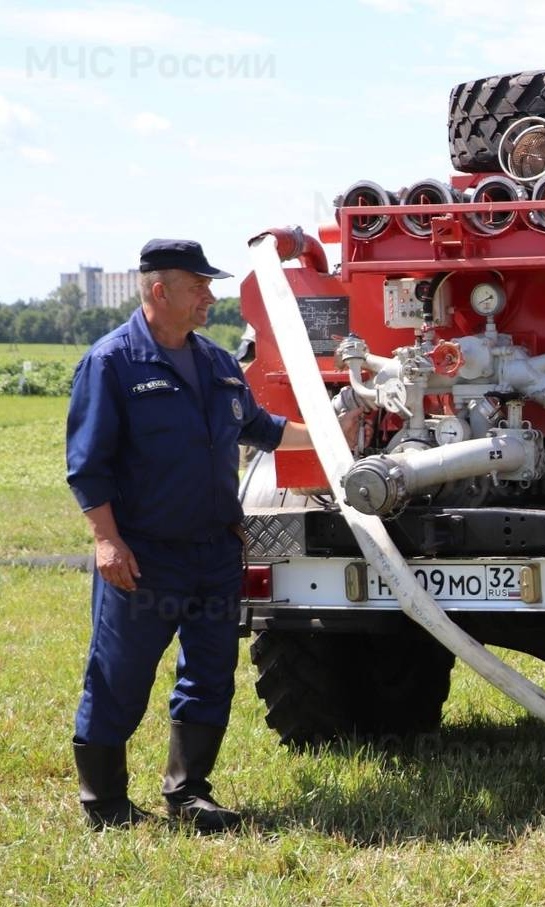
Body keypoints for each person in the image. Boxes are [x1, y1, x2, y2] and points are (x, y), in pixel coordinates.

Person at [65, 238, 346, 832]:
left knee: (211, 672)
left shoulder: (218, 363)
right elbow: (87, 465)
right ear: (160, 290)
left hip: (215, 553)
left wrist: (329, 432)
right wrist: (107, 540)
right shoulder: (111, 363)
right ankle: (104, 803)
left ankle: (189, 791)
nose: (210, 298)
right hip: (143, 556)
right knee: (120, 674)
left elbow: (261, 428)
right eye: (198, 287)